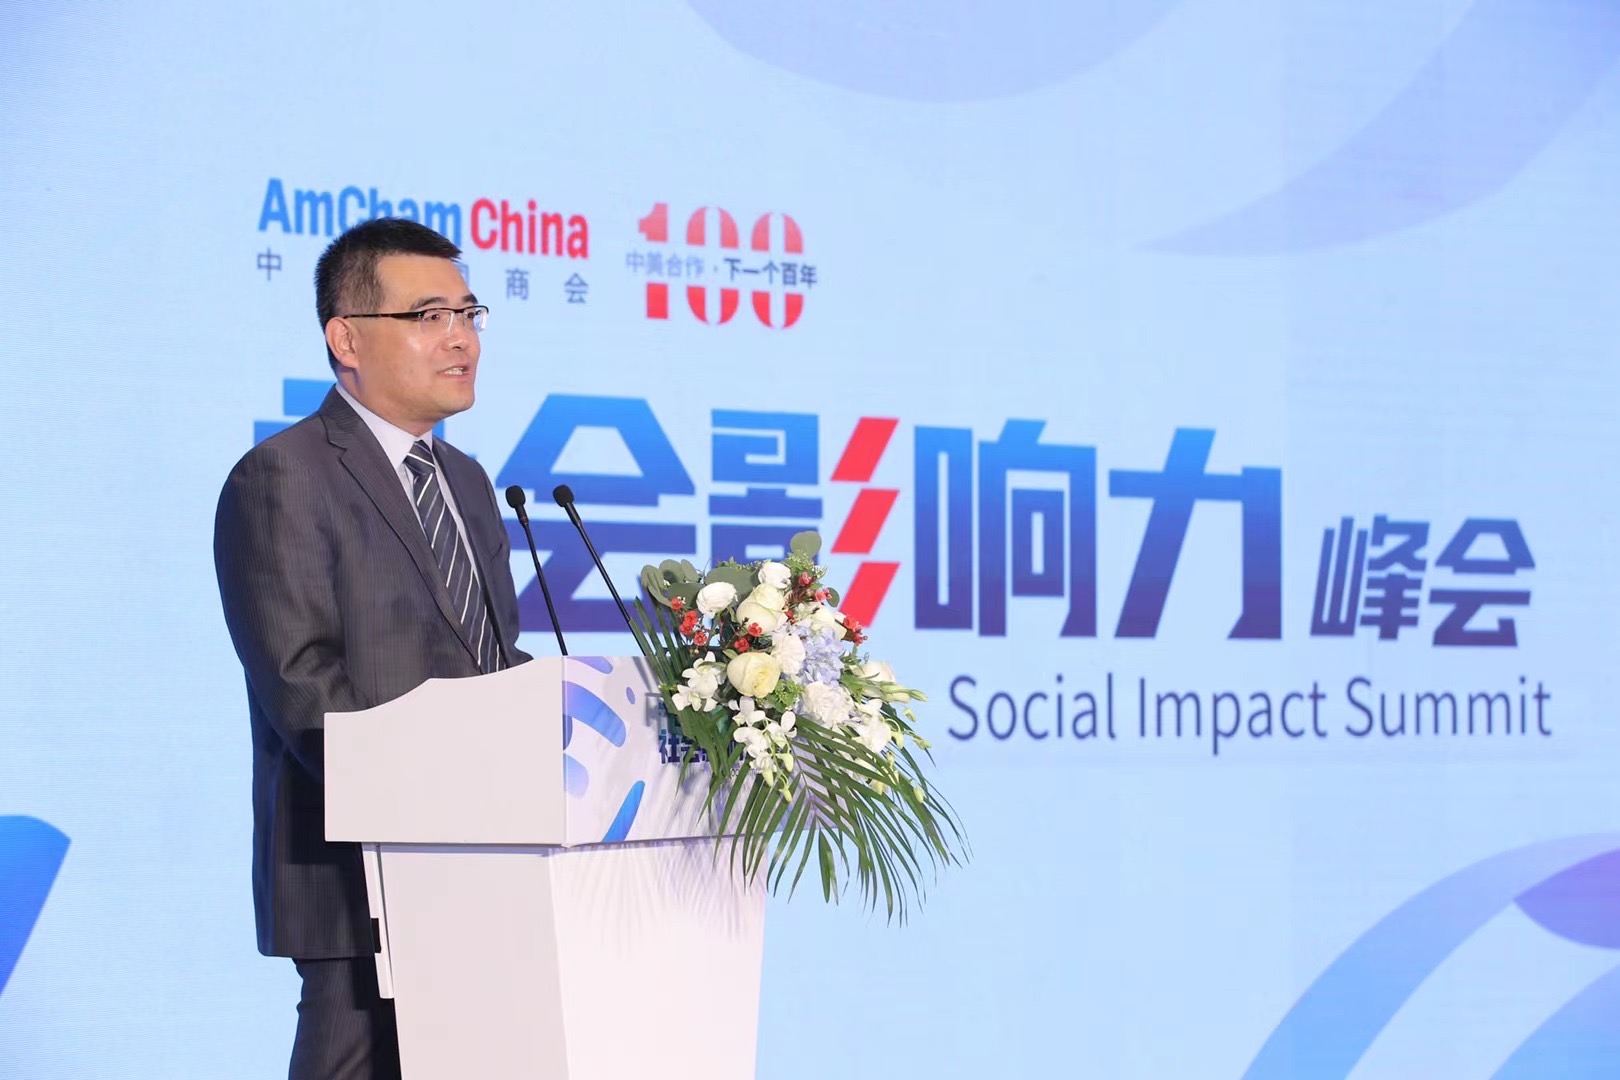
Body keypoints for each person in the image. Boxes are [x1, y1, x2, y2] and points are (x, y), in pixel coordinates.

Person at [214, 218, 530, 1080]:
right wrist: (440, 803)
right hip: (362, 878)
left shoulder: (465, 481)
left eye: (468, 313)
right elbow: (303, 685)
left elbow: (494, 664)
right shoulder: (283, 475)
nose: (461, 337)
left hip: (489, 868)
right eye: (429, 316)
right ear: (346, 340)